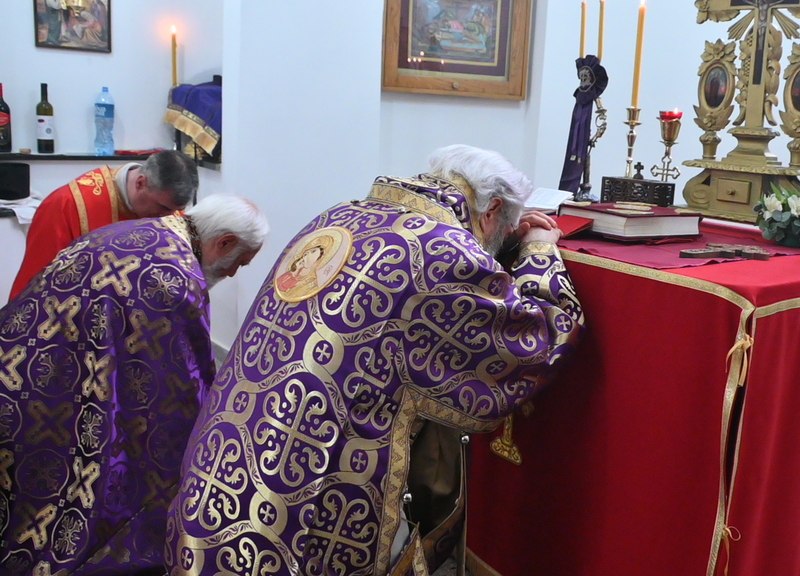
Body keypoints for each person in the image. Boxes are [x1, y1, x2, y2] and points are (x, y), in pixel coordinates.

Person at [166, 145, 585, 576]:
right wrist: (538, 250)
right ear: (492, 209)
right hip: (304, 472)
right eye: (506, 226)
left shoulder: (341, 215)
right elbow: (538, 340)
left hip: (226, 452)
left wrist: (502, 240)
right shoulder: (444, 249)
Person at [0, 195, 269, 576]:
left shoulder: (136, 230)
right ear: (224, 243)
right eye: (240, 262)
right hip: (52, 394)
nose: (234, 273)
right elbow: (178, 387)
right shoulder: (176, 277)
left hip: (20, 373)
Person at [9, 150, 198, 300]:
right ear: (140, 183)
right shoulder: (67, 205)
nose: (167, 218)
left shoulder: (172, 212)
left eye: (176, 210)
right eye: (163, 208)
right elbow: (35, 288)